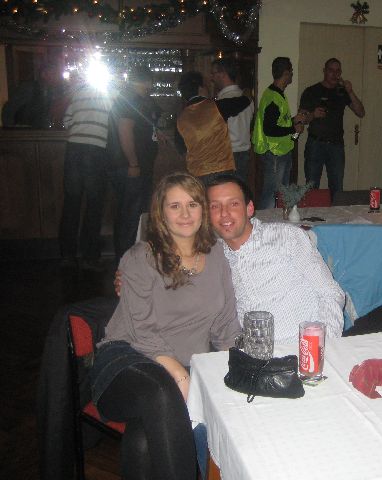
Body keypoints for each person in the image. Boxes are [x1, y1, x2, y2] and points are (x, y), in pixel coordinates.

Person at [91, 172, 240, 480]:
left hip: (185, 367)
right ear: (161, 213)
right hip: (128, 360)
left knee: (144, 437)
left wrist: (237, 366)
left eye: (192, 204)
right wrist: (181, 376)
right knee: (163, 392)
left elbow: (226, 325)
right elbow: (142, 333)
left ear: (203, 210)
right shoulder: (140, 257)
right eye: (175, 206)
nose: (185, 214)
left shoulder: (217, 255)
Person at [207, 174, 345, 343]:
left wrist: (319, 346)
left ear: (249, 208)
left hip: (303, 347)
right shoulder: (215, 256)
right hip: (254, 353)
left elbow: (330, 294)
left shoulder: (285, 237)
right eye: (215, 206)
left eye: (233, 204)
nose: (224, 213)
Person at [58, 79, 113, 271]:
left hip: (74, 150)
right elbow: (114, 126)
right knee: (94, 205)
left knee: (71, 204)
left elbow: (67, 121)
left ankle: (67, 256)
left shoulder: (78, 95)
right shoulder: (111, 96)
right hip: (96, 150)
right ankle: (89, 257)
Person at [109, 66, 161, 260]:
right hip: (131, 167)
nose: (151, 86)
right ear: (146, 81)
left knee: (130, 214)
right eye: (150, 81)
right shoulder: (131, 99)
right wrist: (133, 163)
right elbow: (125, 131)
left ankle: (127, 259)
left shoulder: (130, 99)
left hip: (132, 166)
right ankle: (128, 261)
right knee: (132, 216)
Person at [299, 58, 365, 200]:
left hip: (336, 146)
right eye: (331, 70)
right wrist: (313, 115)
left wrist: (350, 91)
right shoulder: (312, 91)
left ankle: (337, 213)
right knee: (311, 187)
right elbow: (300, 119)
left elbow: (361, 112)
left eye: (338, 71)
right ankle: (311, 212)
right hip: (315, 144)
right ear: (324, 71)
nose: (335, 74)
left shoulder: (342, 92)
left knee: (337, 188)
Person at [176, 71, 250, 186]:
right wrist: (247, 92)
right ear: (200, 88)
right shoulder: (216, 107)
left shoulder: (181, 119)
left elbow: (181, 149)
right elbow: (244, 102)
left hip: (196, 173)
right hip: (221, 170)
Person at [252, 57, 304, 209]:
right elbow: (270, 130)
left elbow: (279, 122)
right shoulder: (273, 98)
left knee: (280, 193)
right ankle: (266, 222)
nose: (292, 74)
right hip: (275, 153)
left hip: (281, 151)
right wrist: (293, 129)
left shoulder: (277, 94)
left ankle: (278, 220)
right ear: (286, 73)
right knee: (271, 193)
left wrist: (294, 120)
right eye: (291, 71)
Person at [211, 59, 255, 183]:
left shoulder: (221, 102)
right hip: (244, 153)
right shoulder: (247, 98)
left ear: (223, 74)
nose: (211, 78)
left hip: (226, 155)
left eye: (213, 73)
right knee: (239, 190)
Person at [2, 63, 64, 129]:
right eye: (54, 74)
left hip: (40, 131)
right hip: (25, 131)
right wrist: (11, 130)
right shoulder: (28, 89)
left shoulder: (50, 91)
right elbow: (8, 110)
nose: (56, 77)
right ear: (44, 74)